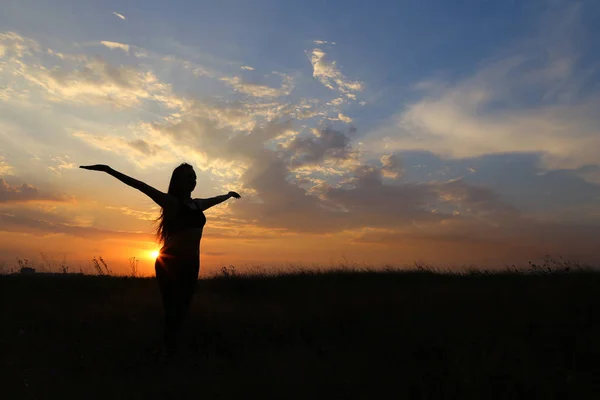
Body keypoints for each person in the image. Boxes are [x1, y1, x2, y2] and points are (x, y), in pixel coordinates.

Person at [80, 163, 240, 352]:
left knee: (183, 307)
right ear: (178, 181)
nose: (193, 180)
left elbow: (214, 200)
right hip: (172, 264)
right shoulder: (171, 202)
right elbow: (140, 185)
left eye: (195, 177)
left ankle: (173, 346)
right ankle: (169, 350)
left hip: (192, 263)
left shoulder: (197, 204)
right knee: (174, 308)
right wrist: (109, 170)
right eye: (189, 177)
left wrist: (228, 195)